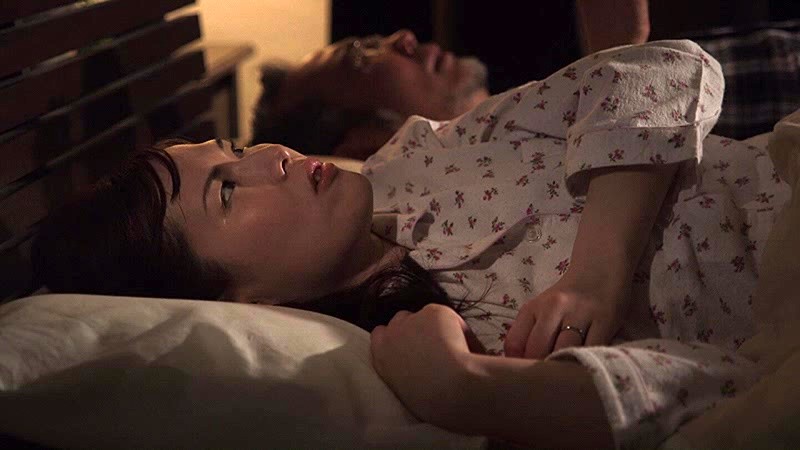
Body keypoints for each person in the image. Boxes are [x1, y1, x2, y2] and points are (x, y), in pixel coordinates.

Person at [31, 39, 791, 448]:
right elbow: (725, 393)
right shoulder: (421, 353)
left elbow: (665, 67)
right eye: (227, 191)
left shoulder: (420, 158)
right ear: (239, 302)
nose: (273, 157)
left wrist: (597, 272)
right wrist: (466, 389)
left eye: (235, 146)